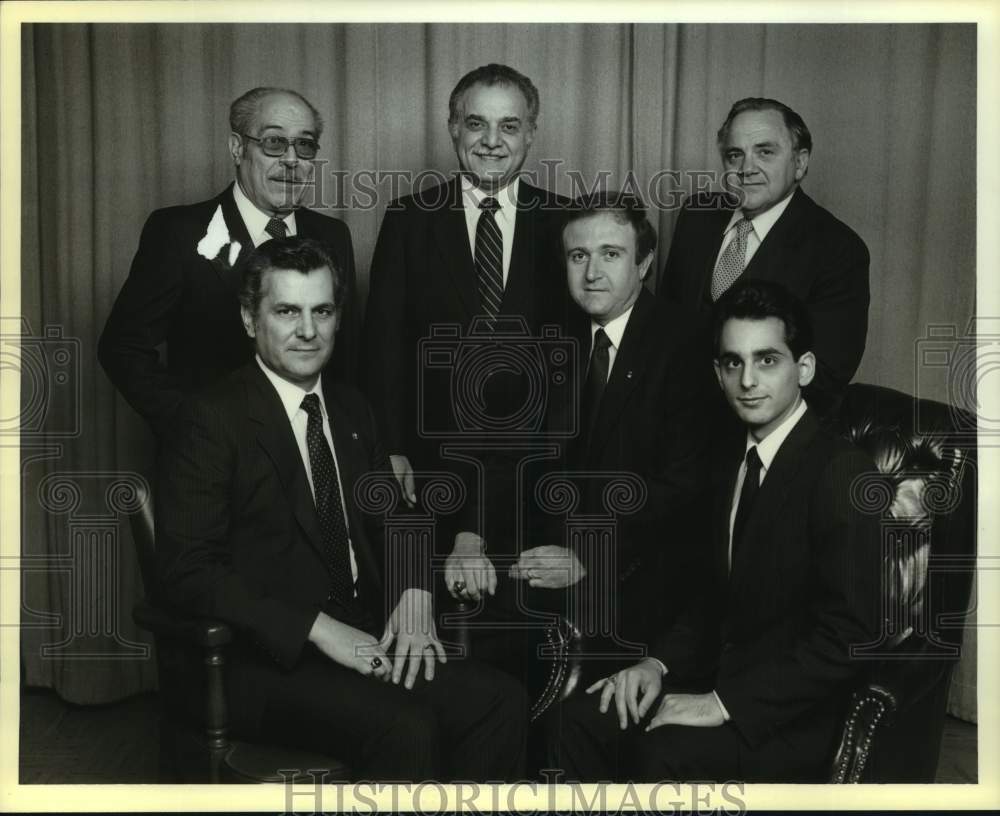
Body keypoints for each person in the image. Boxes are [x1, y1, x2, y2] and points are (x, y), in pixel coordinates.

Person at [155, 237, 525, 781]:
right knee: (407, 726)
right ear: (249, 319)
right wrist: (319, 629)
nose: (308, 330)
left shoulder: (352, 409)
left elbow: (397, 518)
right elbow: (188, 572)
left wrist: (415, 590)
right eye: (287, 311)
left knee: (500, 702)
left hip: (366, 637)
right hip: (264, 661)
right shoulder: (210, 418)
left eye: (322, 311)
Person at [550, 279, 881, 782]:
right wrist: (655, 665)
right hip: (712, 677)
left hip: (789, 716)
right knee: (577, 723)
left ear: (805, 368)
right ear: (717, 374)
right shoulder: (727, 459)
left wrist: (724, 704)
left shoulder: (841, 472)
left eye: (767, 360)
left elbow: (850, 637)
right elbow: (711, 599)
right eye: (733, 362)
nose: (748, 380)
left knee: (658, 754)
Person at [362, 63, 570, 583]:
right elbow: (383, 345)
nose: (492, 141)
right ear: (453, 127)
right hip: (430, 469)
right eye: (477, 123)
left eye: (509, 125)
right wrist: (390, 447)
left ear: (531, 133)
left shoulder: (567, 223)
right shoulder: (409, 220)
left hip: (537, 473)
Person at [499, 193, 713, 651]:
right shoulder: (554, 339)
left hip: (641, 570)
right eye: (579, 256)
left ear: (644, 263)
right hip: (550, 556)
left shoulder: (687, 345)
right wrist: (478, 541)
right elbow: (517, 459)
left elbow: (683, 488)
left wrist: (586, 556)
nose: (592, 273)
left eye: (610, 254)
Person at [99, 87, 357, 437]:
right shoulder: (180, 232)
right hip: (216, 459)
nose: (291, 160)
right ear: (237, 148)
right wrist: (198, 426)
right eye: (274, 143)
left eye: (305, 145)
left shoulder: (333, 235)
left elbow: (346, 360)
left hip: (311, 451)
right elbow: (122, 347)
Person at [659, 97, 869, 417]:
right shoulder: (697, 216)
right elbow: (665, 324)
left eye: (765, 152)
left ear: (800, 163)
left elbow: (824, 376)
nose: (746, 169)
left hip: (755, 428)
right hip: (669, 418)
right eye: (735, 155)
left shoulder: (838, 250)